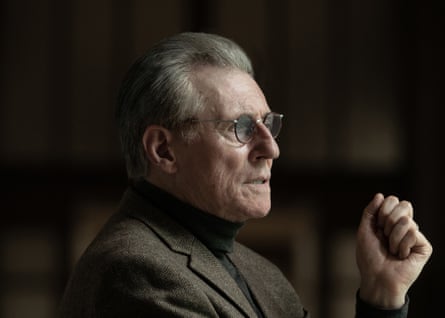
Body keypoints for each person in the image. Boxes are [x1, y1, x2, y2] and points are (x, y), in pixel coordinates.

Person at [59, 32, 433, 318]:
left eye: (268, 123)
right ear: (163, 150)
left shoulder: (260, 272)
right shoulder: (134, 270)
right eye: (240, 127)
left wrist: (382, 294)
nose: (271, 149)